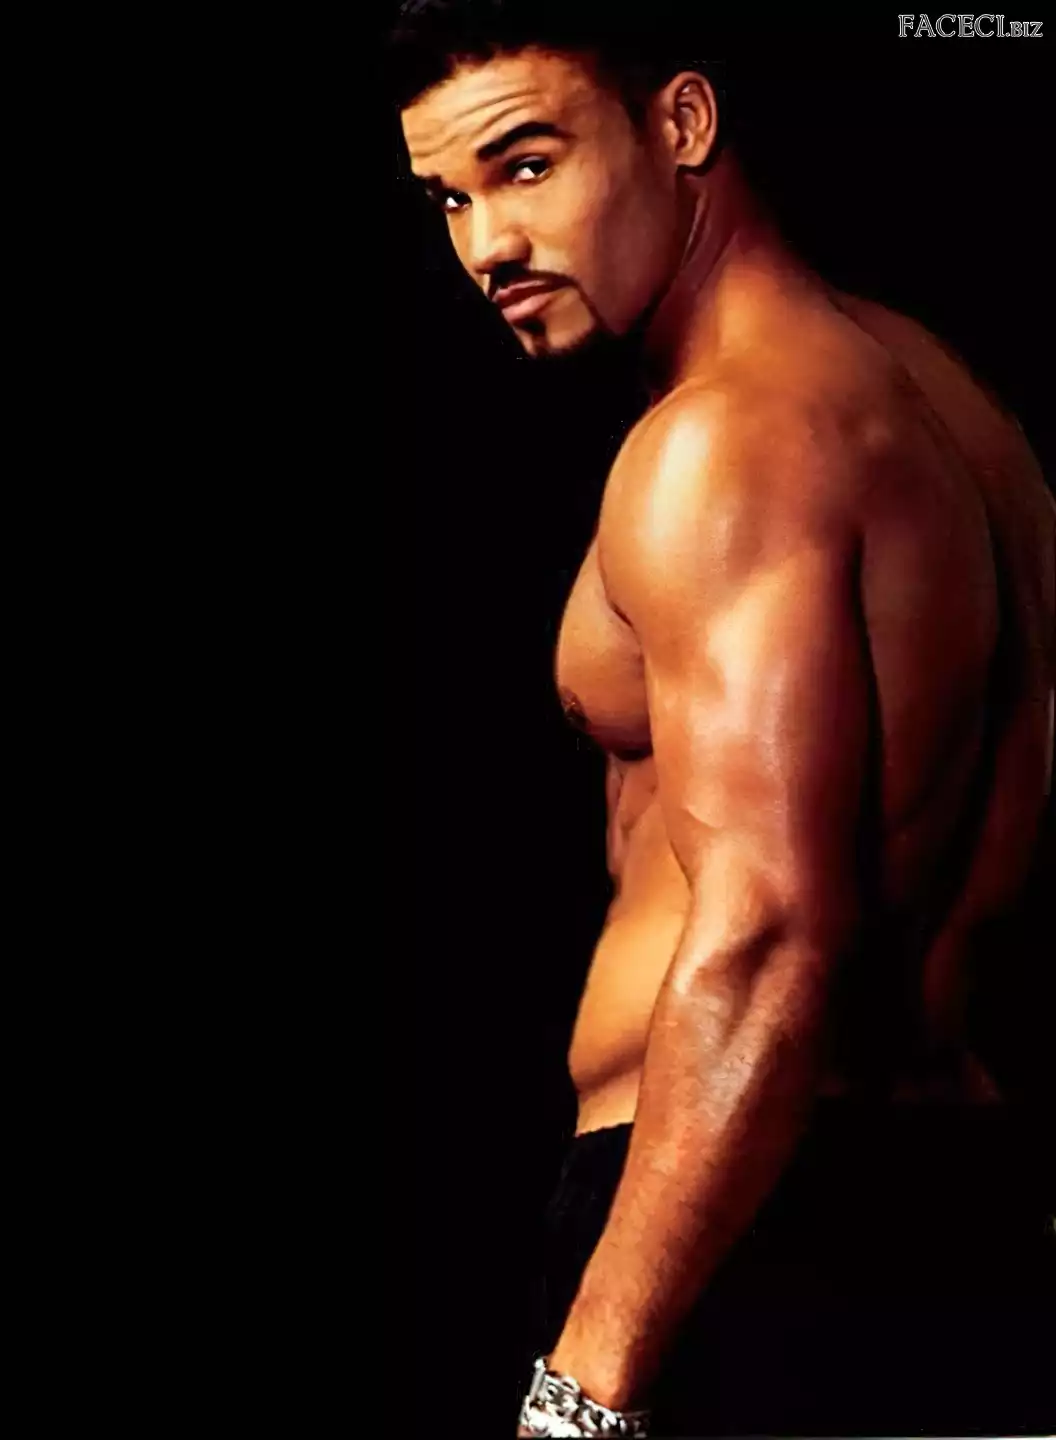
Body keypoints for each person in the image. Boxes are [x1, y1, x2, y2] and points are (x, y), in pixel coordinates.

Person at [388, 2, 1056, 1434]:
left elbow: (768, 930)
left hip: (739, 1241)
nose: (486, 244)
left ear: (682, 124)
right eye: (448, 199)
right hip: (956, 1212)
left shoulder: (726, 443)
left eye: (527, 165)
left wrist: (585, 1392)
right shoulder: (950, 405)